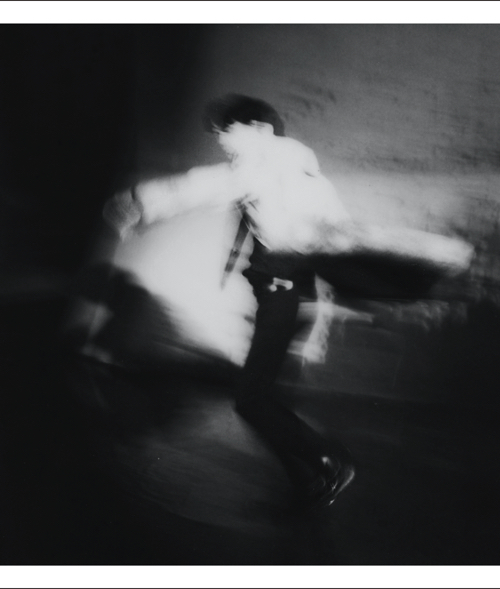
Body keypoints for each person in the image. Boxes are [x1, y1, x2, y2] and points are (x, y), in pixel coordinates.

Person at [104, 94, 473, 509]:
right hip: (286, 293)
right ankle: (305, 477)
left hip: (281, 293)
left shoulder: (265, 164)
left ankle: (329, 462)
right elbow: (325, 230)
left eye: (228, 130)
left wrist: (138, 202)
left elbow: (205, 186)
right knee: (269, 399)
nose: (222, 140)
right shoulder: (294, 167)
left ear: (258, 130)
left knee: (252, 401)